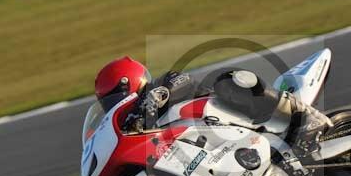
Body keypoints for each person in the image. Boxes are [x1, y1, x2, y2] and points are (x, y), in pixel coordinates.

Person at [94, 57, 332, 144]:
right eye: (108, 103)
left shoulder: (161, 86)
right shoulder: (137, 129)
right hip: (217, 148)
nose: (113, 106)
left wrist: (150, 104)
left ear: (132, 83)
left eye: (115, 98)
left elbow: (180, 79)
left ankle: (303, 116)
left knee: (228, 81)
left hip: (233, 117)